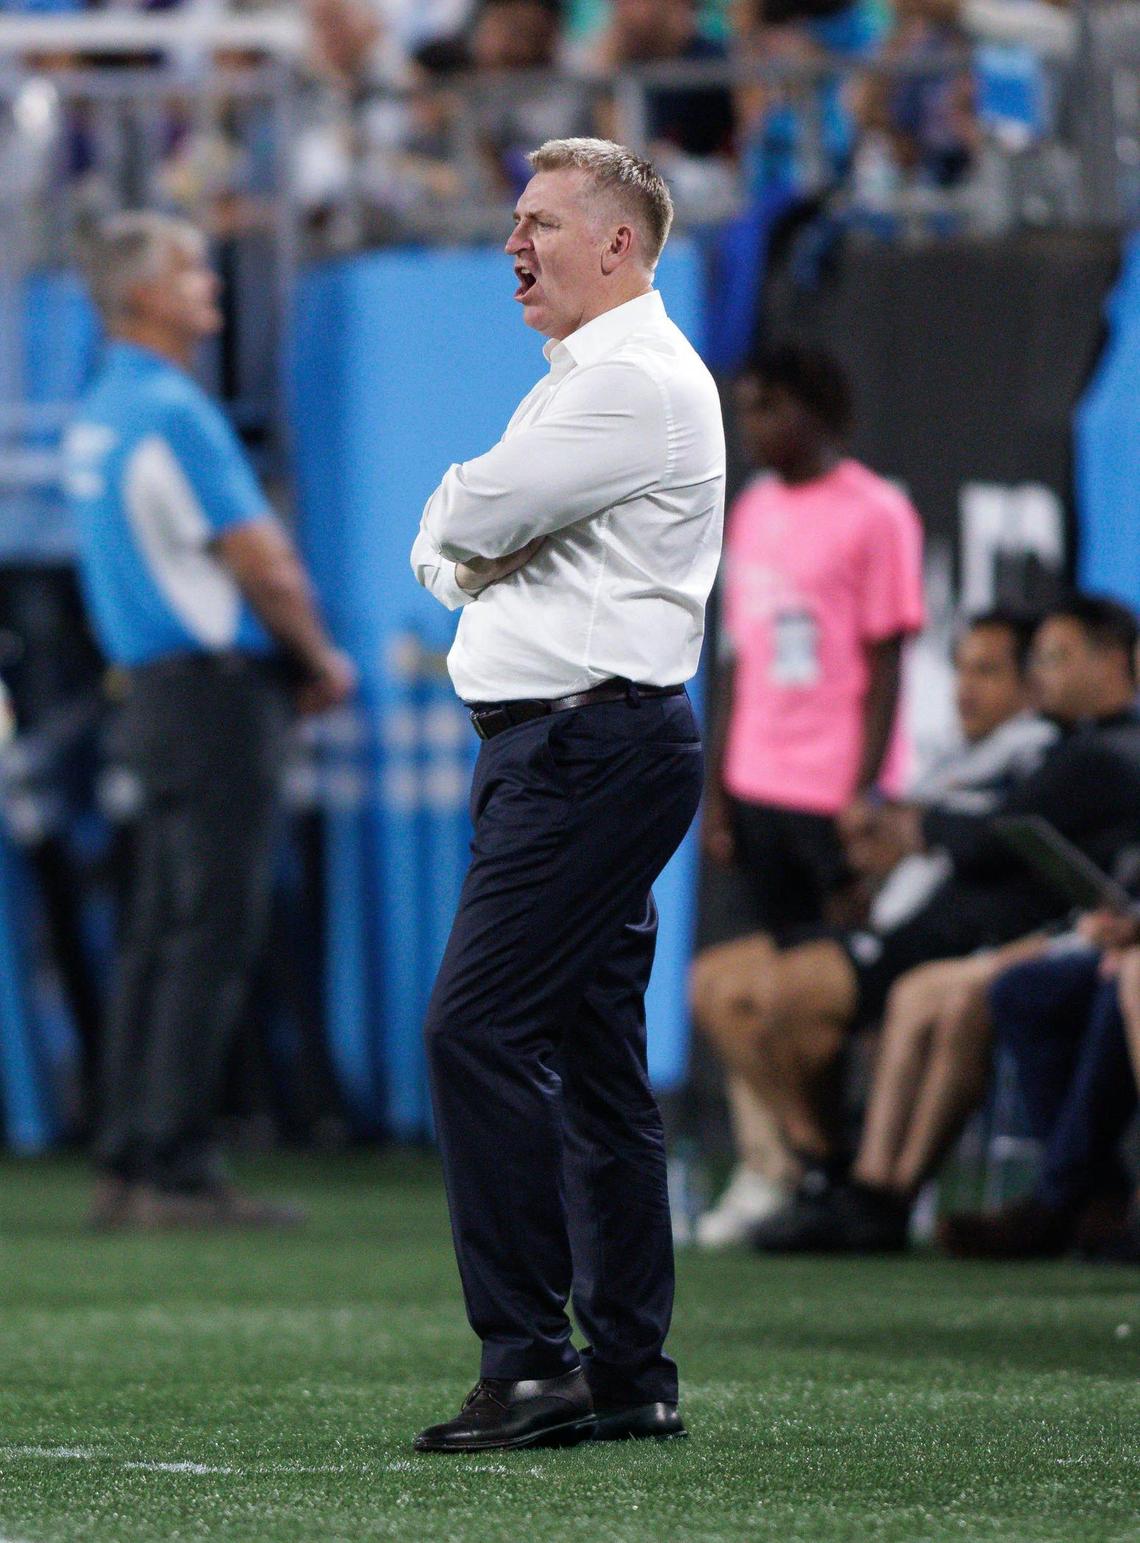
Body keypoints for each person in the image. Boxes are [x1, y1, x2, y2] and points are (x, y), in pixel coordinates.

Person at [409, 136, 724, 1452]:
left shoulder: (629, 386)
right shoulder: (592, 381)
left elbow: (463, 511)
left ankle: (530, 1361)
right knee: (594, 1059)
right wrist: (470, 538)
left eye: (540, 221)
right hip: (582, 745)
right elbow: (457, 539)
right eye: (514, 220)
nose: (512, 244)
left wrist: (471, 535)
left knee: (474, 1030)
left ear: (621, 247)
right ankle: (628, 1368)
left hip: (586, 748)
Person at [64, 212, 356, 1229]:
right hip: (216, 695)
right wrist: (320, 658)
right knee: (208, 931)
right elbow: (260, 558)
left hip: (145, 694)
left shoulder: (99, 408)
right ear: (143, 295)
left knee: (156, 929)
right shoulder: (174, 410)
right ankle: (177, 1170)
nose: (212, 287)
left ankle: (127, 1158)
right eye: (191, 271)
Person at [691, 594, 1140, 1248]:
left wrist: (921, 826)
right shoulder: (1044, 748)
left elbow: (997, 836)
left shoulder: (1087, 750)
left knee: (917, 995)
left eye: (1052, 658)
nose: (1042, 674)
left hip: (1036, 935)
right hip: (1032, 935)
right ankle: (849, 1172)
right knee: (738, 987)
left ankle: (872, 1183)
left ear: (1111, 661)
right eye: (963, 668)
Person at [695, 342, 925, 1247]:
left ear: (818, 411)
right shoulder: (750, 511)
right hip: (755, 784)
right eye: (745, 410)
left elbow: (888, 657)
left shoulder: (879, 512)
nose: (752, 430)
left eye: (768, 410)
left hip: (833, 793)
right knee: (747, 991)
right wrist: (716, 791)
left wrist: (866, 787)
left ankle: (868, 1166)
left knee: (830, 999)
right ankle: (789, 1166)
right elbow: (739, 658)